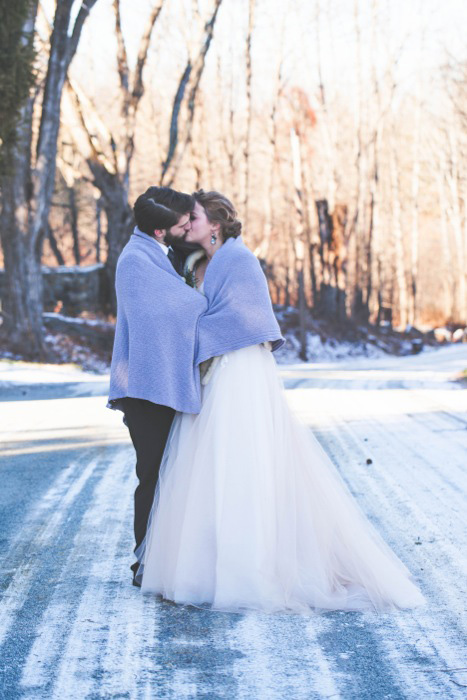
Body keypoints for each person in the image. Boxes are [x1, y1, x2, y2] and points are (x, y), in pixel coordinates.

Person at [135, 189, 425, 614]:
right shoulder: (200, 263)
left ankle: (247, 571)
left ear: (214, 224)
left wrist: (193, 330)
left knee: (242, 464)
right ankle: (207, 567)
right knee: (211, 466)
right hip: (216, 371)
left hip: (241, 371)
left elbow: (246, 319)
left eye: (193, 216)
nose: (187, 222)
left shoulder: (239, 260)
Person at [107, 186, 208, 587]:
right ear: (162, 231)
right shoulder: (135, 261)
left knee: (172, 474)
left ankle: (166, 557)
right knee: (152, 474)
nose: (188, 227)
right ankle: (144, 560)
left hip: (158, 385)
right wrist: (211, 295)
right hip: (145, 390)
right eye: (182, 224)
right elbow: (181, 308)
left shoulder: (157, 253)